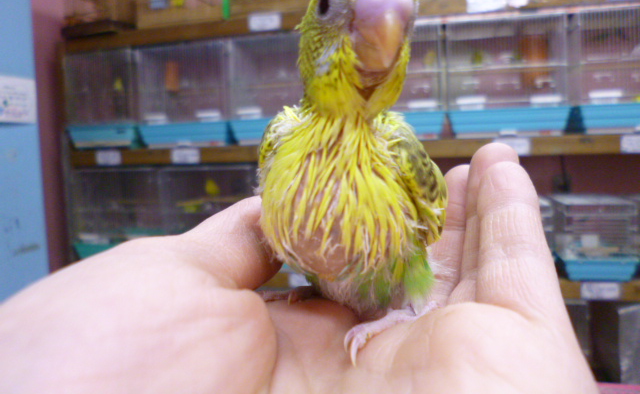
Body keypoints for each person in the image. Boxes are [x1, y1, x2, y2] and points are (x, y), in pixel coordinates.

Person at [0, 143, 598, 393]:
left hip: (401, 293)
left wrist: (402, 313)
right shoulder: (285, 153)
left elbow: (427, 237)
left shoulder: (401, 158)